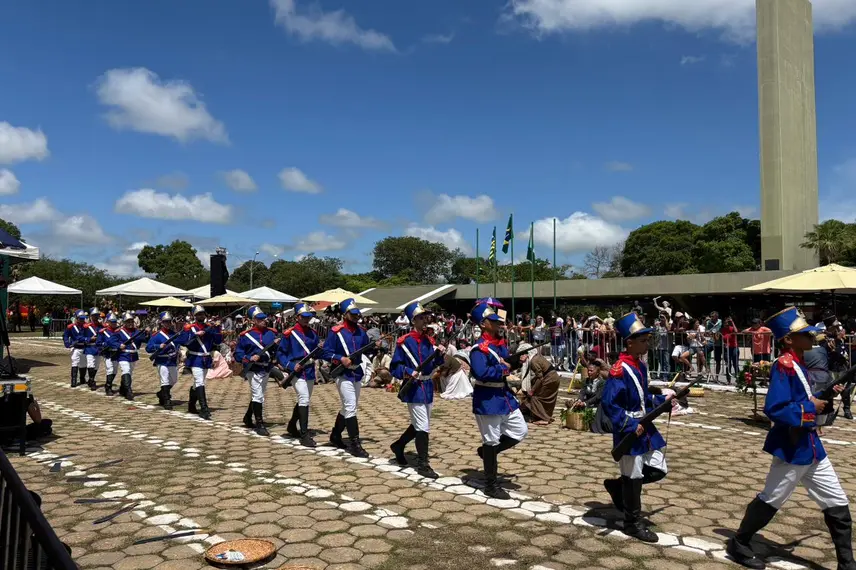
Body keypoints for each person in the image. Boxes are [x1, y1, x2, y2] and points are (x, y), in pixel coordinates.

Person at [726, 307, 854, 570]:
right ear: (788, 339)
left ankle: (847, 564)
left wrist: (824, 402)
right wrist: (811, 408)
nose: (811, 338)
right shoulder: (784, 366)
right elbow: (776, 408)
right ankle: (739, 543)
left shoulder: (799, 364)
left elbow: (806, 402)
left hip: (811, 446)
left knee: (837, 502)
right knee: (772, 498)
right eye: (805, 335)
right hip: (792, 446)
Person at [601, 312, 676, 543]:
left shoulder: (640, 366)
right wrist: (630, 425)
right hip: (629, 430)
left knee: (658, 468)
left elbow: (642, 399)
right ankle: (632, 523)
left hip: (645, 427)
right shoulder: (619, 369)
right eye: (642, 340)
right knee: (633, 475)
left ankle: (618, 487)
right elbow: (610, 404)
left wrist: (662, 403)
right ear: (629, 343)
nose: (646, 343)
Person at [469, 302, 528, 500]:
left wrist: (514, 361)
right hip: (488, 398)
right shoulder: (479, 349)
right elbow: (481, 372)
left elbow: (505, 363)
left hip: (504, 396)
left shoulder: (498, 344)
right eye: (493, 322)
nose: (498, 324)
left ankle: (487, 453)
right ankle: (490, 485)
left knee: (520, 430)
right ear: (484, 324)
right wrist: (505, 368)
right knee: (491, 440)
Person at [390, 301, 446, 479]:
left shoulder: (429, 340)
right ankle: (423, 463)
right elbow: (394, 367)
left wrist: (439, 356)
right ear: (413, 320)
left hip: (427, 386)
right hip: (414, 387)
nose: (425, 320)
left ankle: (399, 446)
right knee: (423, 426)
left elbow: (433, 364)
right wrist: (407, 372)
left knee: (419, 424)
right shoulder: (404, 342)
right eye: (421, 317)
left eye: (426, 317)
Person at [321, 298, 375, 458]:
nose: (357, 317)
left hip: (356, 373)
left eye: (357, 314)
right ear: (345, 314)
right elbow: (325, 352)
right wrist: (340, 358)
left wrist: (374, 347)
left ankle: (336, 435)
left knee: (347, 407)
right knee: (351, 407)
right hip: (342, 373)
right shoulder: (336, 331)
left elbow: (365, 349)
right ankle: (355, 444)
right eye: (353, 315)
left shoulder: (361, 332)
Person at [278, 302, 321, 447]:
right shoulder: (289, 334)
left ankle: (292, 425)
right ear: (297, 317)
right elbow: (281, 354)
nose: (306, 320)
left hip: (309, 370)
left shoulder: (313, 334)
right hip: (296, 371)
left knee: (305, 398)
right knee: (304, 399)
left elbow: (317, 351)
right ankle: (304, 435)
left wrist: (321, 348)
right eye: (304, 317)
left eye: (308, 317)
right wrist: (290, 365)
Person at [235, 306, 280, 436]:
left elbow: (274, 351)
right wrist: (249, 358)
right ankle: (259, 424)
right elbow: (238, 354)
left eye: (264, 318)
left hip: (265, 367)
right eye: (260, 319)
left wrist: (275, 351)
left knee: (259, 394)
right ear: (253, 320)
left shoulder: (271, 333)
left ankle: (248, 417)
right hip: (252, 369)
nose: (264, 321)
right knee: (258, 395)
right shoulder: (246, 336)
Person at [178, 305, 222, 420]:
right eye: (198, 314)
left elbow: (218, 341)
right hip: (195, 358)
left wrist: (217, 328)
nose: (201, 316)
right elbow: (183, 341)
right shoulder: (189, 328)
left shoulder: (209, 327)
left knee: (199, 383)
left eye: (202, 314)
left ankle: (191, 405)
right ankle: (204, 409)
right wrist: (195, 334)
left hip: (206, 358)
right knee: (199, 382)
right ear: (194, 316)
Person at [105, 312, 149, 401]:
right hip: (123, 355)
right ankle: (128, 391)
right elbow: (110, 341)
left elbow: (145, 339)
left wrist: (148, 333)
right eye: (128, 322)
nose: (130, 323)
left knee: (129, 373)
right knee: (126, 370)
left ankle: (123, 388)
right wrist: (118, 345)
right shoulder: (119, 332)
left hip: (133, 355)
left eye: (131, 322)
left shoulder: (137, 332)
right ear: (124, 323)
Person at [517, 343, 560, 425]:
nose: (521, 357)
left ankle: (544, 418)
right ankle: (543, 416)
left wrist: (532, 390)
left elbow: (540, 378)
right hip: (553, 377)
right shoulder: (536, 358)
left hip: (550, 379)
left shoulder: (534, 361)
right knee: (542, 397)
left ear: (527, 354)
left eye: (522, 355)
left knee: (536, 397)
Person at [146, 311, 181, 410]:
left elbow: (178, 345)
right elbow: (148, 348)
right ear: (161, 323)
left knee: (174, 380)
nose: (167, 324)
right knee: (164, 380)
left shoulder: (174, 334)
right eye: (165, 322)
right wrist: (158, 346)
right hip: (161, 360)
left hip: (172, 360)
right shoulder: (156, 335)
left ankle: (161, 393)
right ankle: (167, 400)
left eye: (169, 322)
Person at [62, 310, 88, 388]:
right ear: (76, 318)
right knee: (75, 363)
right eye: (81, 319)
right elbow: (65, 335)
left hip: (84, 347)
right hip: (76, 347)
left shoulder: (86, 327)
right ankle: (73, 380)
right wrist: (67, 343)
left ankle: (82, 378)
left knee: (83, 364)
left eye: (83, 319)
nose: (82, 320)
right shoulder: (71, 327)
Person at [97, 313, 120, 395]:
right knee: (109, 369)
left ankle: (108, 384)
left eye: (115, 322)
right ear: (108, 322)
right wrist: (105, 344)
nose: (114, 324)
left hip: (116, 353)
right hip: (108, 353)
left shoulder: (119, 331)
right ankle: (108, 387)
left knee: (115, 370)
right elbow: (98, 343)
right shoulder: (103, 332)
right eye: (112, 322)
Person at [81, 308, 103, 391]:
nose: (96, 317)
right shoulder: (86, 327)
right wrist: (89, 339)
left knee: (96, 366)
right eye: (94, 316)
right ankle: (93, 381)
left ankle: (91, 379)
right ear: (91, 316)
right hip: (90, 347)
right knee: (91, 364)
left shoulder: (101, 326)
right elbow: (80, 337)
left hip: (98, 348)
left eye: (97, 315)